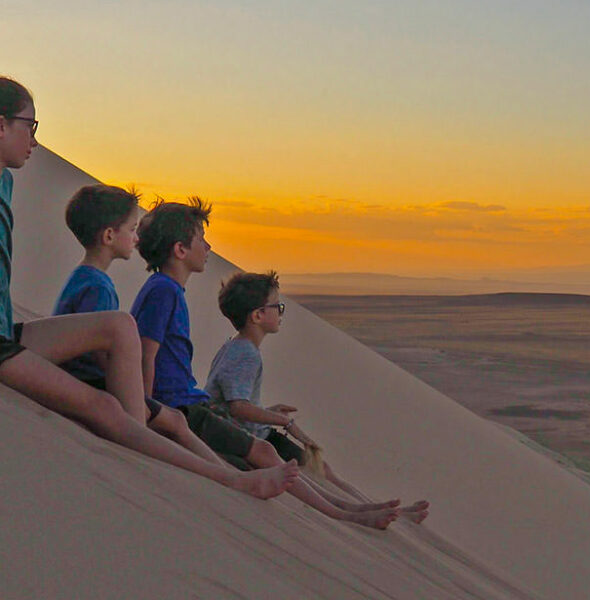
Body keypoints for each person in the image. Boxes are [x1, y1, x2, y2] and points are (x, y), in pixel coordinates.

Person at [0, 76, 297, 500]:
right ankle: (223, 478)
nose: (34, 139)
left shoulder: (3, 183)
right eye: (29, 126)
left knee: (120, 325)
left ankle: (137, 433)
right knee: (102, 407)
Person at [130, 200, 406, 528]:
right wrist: (143, 413)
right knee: (265, 455)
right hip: (180, 408)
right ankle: (341, 513)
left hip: (189, 405)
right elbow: (145, 354)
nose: (207, 246)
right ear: (179, 249)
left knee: (267, 455)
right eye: (201, 238)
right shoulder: (165, 292)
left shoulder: (167, 290)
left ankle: (343, 506)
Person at [207, 271, 429, 523]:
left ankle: (378, 508)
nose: (281, 313)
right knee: (311, 475)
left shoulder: (234, 346)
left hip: (255, 432)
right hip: (252, 439)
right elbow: (237, 408)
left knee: (322, 470)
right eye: (277, 306)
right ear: (257, 315)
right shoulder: (245, 353)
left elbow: (231, 402)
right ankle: (352, 512)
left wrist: (269, 411)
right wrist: (282, 421)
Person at [53, 183, 229, 464]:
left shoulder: (87, 279)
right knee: (176, 425)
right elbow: (103, 354)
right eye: (131, 230)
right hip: (91, 384)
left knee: (179, 425)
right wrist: (140, 401)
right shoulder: (98, 287)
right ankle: (223, 474)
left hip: (96, 382)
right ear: (110, 236)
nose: (137, 239)